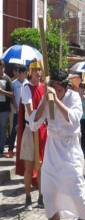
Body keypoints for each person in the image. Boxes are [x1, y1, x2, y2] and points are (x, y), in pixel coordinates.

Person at [29, 70, 85, 220]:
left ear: (65, 87)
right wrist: (46, 102)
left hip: (70, 152)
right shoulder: (48, 98)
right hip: (52, 152)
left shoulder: (74, 97)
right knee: (48, 192)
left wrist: (56, 101)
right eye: (53, 87)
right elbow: (33, 123)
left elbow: (75, 120)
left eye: (59, 88)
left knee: (77, 193)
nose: (56, 91)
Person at [16, 59, 47, 210]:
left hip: (42, 130)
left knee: (41, 167)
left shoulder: (44, 88)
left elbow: (47, 114)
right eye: (34, 70)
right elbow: (30, 113)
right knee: (29, 167)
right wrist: (43, 105)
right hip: (30, 131)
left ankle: (41, 196)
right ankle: (28, 196)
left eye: (39, 69)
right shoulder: (25, 88)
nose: (37, 72)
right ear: (30, 72)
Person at [6, 65, 29, 158]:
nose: (26, 74)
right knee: (14, 131)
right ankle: (10, 150)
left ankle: (22, 150)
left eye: (26, 73)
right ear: (20, 73)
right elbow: (13, 97)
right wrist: (17, 108)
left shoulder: (27, 83)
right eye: (24, 73)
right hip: (17, 111)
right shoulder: (14, 83)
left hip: (26, 112)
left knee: (24, 131)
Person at [0, 60, 13, 157]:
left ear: (4, 68)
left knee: (3, 129)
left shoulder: (8, 79)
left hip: (4, 109)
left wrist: (2, 91)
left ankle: (1, 149)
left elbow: (12, 94)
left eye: (1, 67)